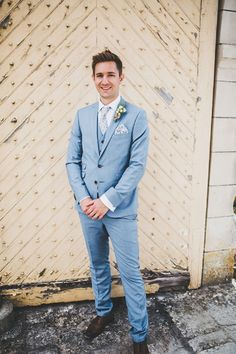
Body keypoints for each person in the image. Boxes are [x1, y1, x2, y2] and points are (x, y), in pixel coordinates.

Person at [66, 49, 149, 354]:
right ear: (93, 78)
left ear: (120, 77)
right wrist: (86, 198)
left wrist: (107, 201)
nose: (105, 80)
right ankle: (103, 311)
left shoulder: (136, 115)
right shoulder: (82, 115)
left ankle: (140, 336)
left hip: (120, 210)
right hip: (87, 207)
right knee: (97, 263)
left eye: (110, 74)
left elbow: (136, 166)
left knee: (130, 271)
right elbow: (72, 162)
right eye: (99, 75)